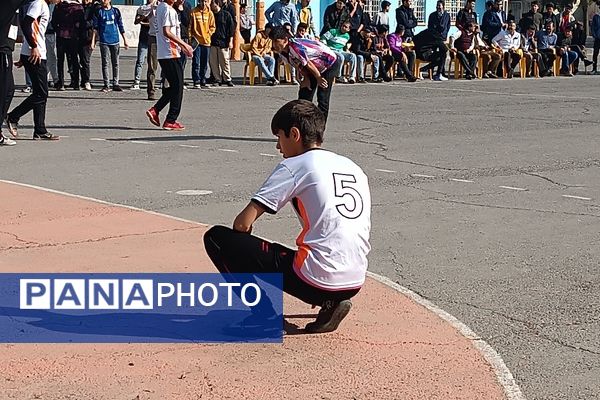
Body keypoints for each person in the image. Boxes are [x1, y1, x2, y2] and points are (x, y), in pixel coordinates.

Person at [203, 99, 372, 334]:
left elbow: (242, 223)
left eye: (279, 137)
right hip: (355, 278)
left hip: (317, 278)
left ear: (294, 134)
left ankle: (264, 315)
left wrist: (245, 250)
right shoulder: (352, 167)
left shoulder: (295, 165)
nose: (278, 147)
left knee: (216, 238)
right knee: (313, 253)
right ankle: (331, 303)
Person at [6, 0, 59, 141]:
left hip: (35, 52)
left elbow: (35, 27)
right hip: (35, 53)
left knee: (40, 93)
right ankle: (13, 116)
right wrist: (33, 46)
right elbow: (26, 23)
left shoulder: (45, 6)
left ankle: (40, 130)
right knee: (42, 93)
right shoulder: (39, 3)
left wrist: (25, 55)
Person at [270, 26, 339, 122]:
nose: (273, 44)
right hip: (314, 67)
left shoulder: (295, 47)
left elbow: (308, 63)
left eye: (276, 41)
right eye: (272, 41)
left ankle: (318, 131)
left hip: (329, 64)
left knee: (323, 98)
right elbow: (299, 65)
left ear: (285, 40)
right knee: (304, 96)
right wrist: (305, 78)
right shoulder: (282, 52)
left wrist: (319, 78)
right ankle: (304, 126)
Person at [145, 0, 193, 131]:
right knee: (178, 87)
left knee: (175, 86)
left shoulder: (161, 8)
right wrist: (184, 44)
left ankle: (156, 110)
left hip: (164, 53)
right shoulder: (168, 10)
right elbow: (166, 31)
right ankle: (170, 119)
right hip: (170, 53)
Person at [0, 0, 29, 146]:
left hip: (6, 50)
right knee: (4, 91)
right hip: (2, 49)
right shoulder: (9, 3)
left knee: (9, 90)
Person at [92, 0, 129, 92]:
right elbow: (95, 28)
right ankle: (106, 84)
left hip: (115, 40)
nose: (103, 1)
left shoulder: (115, 11)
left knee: (115, 63)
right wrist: (93, 41)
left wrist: (125, 40)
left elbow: (120, 25)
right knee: (105, 63)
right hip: (104, 41)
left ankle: (115, 83)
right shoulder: (99, 12)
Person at [52, 0, 85, 90]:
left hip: (61, 35)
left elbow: (54, 22)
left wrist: (58, 30)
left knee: (60, 60)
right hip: (73, 36)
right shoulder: (79, 7)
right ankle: (76, 83)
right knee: (74, 59)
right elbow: (82, 24)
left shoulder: (59, 7)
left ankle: (61, 83)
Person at [189, 0, 215, 88]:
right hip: (196, 41)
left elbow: (213, 27)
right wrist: (190, 39)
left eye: (206, 1)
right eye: (202, 1)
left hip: (206, 41)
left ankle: (202, 79)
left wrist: (209, 34)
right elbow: (190, 27)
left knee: (204, 62)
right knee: (196, 62)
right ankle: (196, 80)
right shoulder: (193, 12)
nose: (204, 3)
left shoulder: (210, 13)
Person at [209, 0, 234, 86]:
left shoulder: (226, 15)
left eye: (212, 4)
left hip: (223, 42)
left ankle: (227, 78)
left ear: (217, 4)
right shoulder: (210, 15)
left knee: (225, 61)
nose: (211, 6)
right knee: (213, 62)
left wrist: (230, 41)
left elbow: (231, 29)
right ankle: (217, 79)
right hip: (212, 42)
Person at [132, 0, 153, 90]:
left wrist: (145, 23)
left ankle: (154, 82)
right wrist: (142, 17)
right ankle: (137, 81)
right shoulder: (141, 8)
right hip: (143, 38)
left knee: (153, 63)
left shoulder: (156, 8)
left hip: (153, 38)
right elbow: (136, 21)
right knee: (140, 61)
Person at [592, 8, 600, 74]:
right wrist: (595, 35)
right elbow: (593, 27)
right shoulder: (596, 16)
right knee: (595, 54)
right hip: (597, 39)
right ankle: (594, 68)